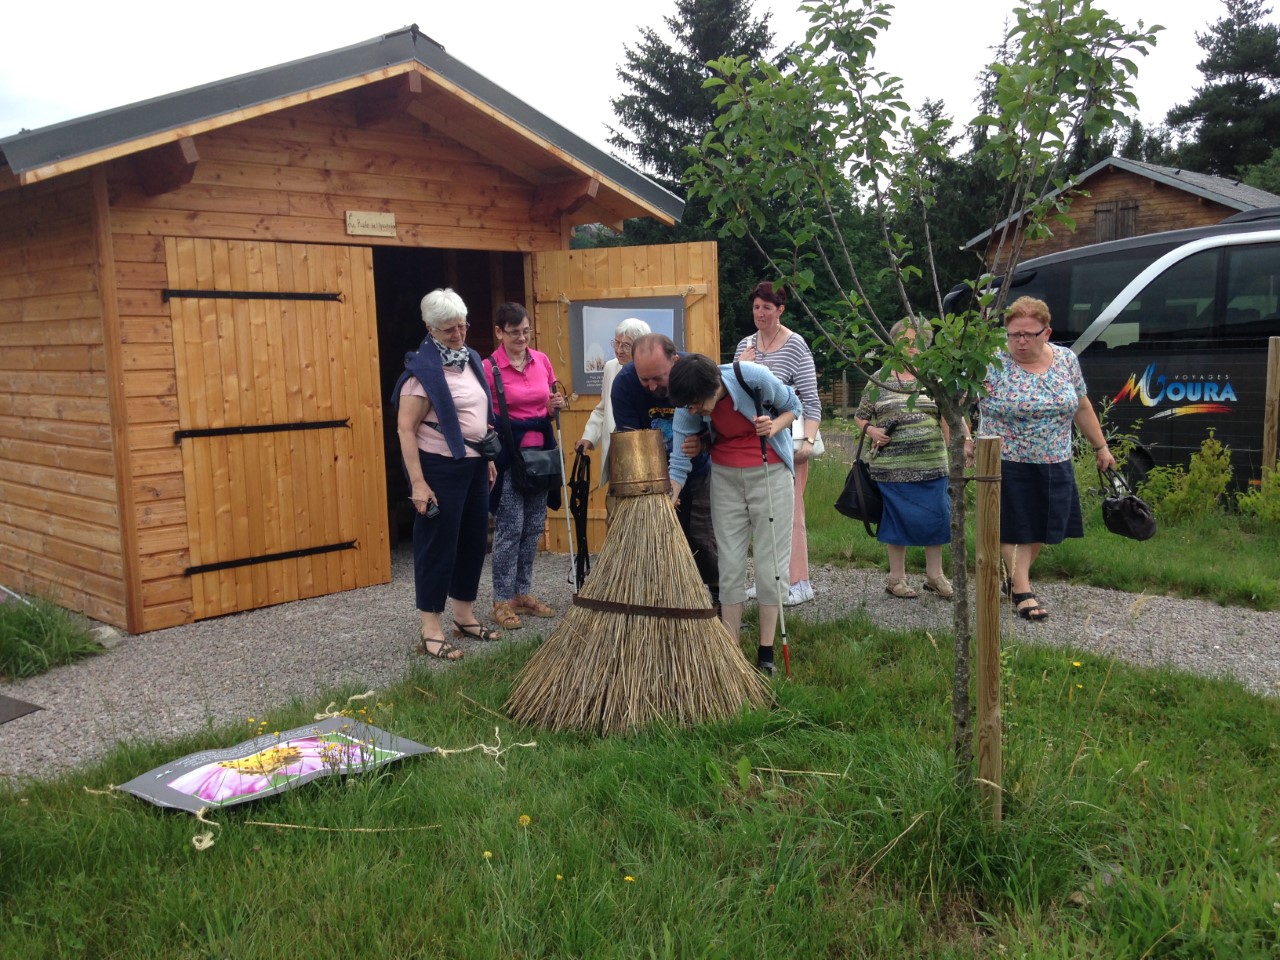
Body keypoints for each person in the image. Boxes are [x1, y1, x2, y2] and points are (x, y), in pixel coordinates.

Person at [977, 296, 1116, 622]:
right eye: (1014, 334)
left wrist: (1101, 447)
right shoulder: (991, 361)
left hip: (1055, 459)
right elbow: (953, 402)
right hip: (1005, 459)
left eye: (1029, 334)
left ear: (1047, 332)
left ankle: (1013, 580)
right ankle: (1023, 590)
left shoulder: (1066, 360)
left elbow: (1082, 406)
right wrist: (967, 440)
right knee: (1012, 527)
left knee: (1041, 526)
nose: (1020, 341)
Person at [667, 354, 802, 676]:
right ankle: (730, 650)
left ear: (713, 387)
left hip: (770, 474)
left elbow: (793, 406)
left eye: (696, 404)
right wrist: (671, 497)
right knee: (729, 566)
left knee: (771, 568)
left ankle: (766, 652)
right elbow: (679, 458)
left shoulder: (751, 377)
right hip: (725, 478)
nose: (692, 411)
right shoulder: (688, 403)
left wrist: (774, 425)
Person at [392, 288, 501, 662]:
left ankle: (464, 617)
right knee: (437, 545)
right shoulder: (420, 373)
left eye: (462, 325)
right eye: (448, 329)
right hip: (439, 466)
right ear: (429, 328)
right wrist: (419, 484)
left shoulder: (469, 358)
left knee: (473, 540)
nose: (459, 334)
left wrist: (485, 455)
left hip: (473, 464)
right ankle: (431, 629)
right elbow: (406, 430)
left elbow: (479, 409)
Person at [854, 320, 957, 600]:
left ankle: (935, 576)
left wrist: (961, 447)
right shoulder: (879, 378)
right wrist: (872, 429)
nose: (912, 348)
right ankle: (895, 578)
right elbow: (861, 415)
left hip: (932, 466)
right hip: (891, 469)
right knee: (896, 521)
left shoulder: (934, 377)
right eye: (906, 342)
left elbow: (950, 418)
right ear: (895, 344)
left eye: (918, 342)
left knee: (937, 518)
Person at [613, 334, 719, 604]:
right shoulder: (624, 385)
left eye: (658, 378)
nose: (650, 387)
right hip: (649, 476)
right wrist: (659, 488)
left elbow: (719, 425)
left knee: (703, 539)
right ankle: (661, 601)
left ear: (675, 360)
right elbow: (630, 441)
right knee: (652, 543)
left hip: (696, 473)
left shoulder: (695, 373)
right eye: (644, 379)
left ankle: (720, 600)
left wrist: (703, 442)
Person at [735, 281, 823, 605]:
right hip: (754, 438)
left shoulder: (796, 345)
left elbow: (811, 401)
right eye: (756, 307)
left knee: (791, 511)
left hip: (789, 437)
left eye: (766, 308)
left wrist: (809, 441)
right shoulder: (745, 344)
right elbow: (736, 392)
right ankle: (767, 579)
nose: (760, 313)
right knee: (761, 512)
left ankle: (799, 581)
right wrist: (742, 365)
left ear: (780, 310)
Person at [485, 302, 566, 630]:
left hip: (540, 454)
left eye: (526, 331)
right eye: (515, 331)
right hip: (509, 456)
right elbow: (482, 412)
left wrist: (554, 406)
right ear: (499, 332)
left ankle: (522, 592)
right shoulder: (488, 367)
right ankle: (501, 599)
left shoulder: (542, 360)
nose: (522, 337)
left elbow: (550, 401)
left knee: (533, 526)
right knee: (509, 528)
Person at [575, 317, 652, 488]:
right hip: (618, 450)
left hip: (647, 450)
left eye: (626, 345)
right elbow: (603, 409)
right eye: (616, 343)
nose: (618, 350)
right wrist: (588, 437)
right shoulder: (610, 368)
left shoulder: (652, 371)